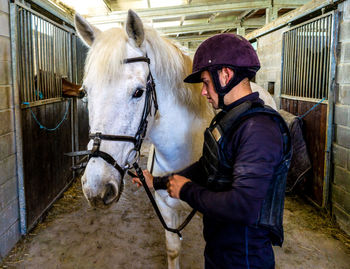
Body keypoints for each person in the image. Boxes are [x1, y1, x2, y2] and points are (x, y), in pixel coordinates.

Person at [133, 33, 292, 269]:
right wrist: (156, 182)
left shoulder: (259, 130)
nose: (203, 92)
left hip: (244, 258)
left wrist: (186, 190)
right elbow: (206, 165)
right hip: (222, 248)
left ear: (225, 75)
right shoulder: (231, 120)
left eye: (206, 83)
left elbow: (243, 207)